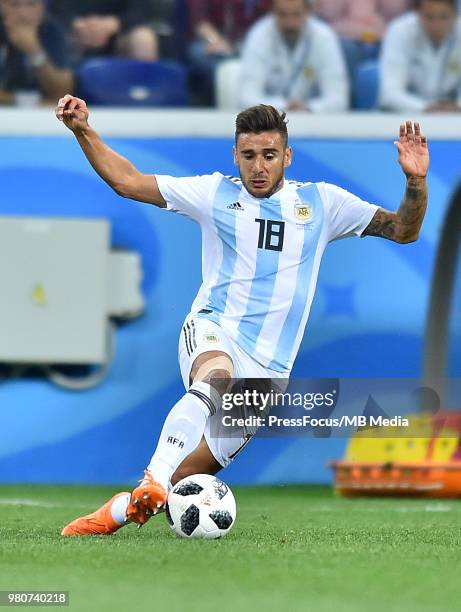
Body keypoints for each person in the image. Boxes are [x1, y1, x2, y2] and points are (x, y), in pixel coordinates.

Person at [55, 94, 429, 535]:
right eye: (248, 155)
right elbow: (129, 181)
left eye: (269, 155)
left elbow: (403, 230)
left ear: (286, 156)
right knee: (216, 378)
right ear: (235, 155)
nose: (257, 166)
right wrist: (83, 130)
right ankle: (152, 476)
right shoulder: (214, 193)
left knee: (181, 483)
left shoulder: (324, 204)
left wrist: (415, 184)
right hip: (215, 328)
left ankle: (117, 511)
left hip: (269, 370)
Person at [239, 0, 349, 112]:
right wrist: (283, 107)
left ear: (308, 12)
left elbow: (338, 99)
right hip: (269, 123)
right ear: (272, 13)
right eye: (282, 14)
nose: (289, 23)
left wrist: (309, 107)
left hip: (313, 121)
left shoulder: (324, 37)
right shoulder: (259, 36)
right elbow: (246, 98)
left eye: (296, 14)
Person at [380, 0, 461, 112]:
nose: (436, 25)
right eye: (429, 17)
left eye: (444, 17)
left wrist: (457, 107)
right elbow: (389, 94)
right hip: (410, 113)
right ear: (417, 14)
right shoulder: (400, 31)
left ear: (455, 15)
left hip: (454, 113)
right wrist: (425, 107)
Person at [186, 0, 271, 105]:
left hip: (249, 44)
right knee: (199, 53)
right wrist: (216, 41)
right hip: (212, 42)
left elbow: (268, 20)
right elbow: (200, 21)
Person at [314, 0, 412, 80]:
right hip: (344, 37)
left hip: (388, 37)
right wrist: (364, 32)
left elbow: (398, 12)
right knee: (347, 50)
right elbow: (329, 13)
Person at [0, 0, 73, 106]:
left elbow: (64, 91)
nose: (23, 13)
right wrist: (30, 101)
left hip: (42, 115)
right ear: (2, 7)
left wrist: (34, 50)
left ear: (42, 8)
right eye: (15, 4)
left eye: (31, 4)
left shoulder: (52, 31)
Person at [49, 0, 161, 64]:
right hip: (76, 32)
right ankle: (59, 93)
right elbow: (57, 10)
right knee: (56, 35)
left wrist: (113, 24)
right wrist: (77, 25)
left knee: (143, 39)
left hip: (119, 35)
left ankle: (143, 96)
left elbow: (143, 11)